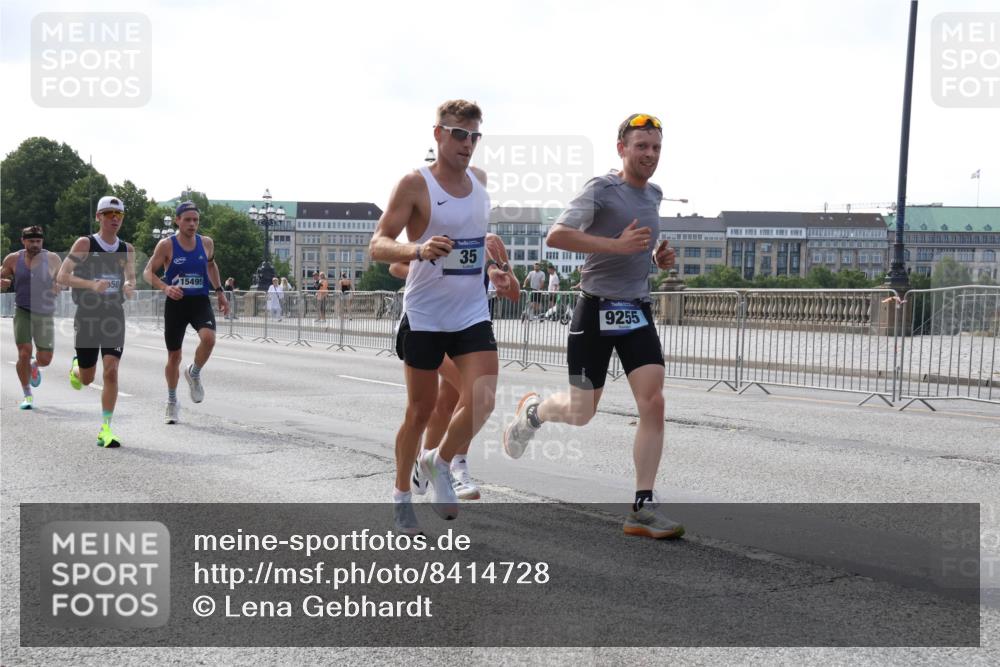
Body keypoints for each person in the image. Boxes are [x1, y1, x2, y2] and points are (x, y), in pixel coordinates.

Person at [503, 113, 683, 539]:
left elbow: (634, 251)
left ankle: (642, 506)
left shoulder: (655, 194)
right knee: (582, 412)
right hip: (595, 309)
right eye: (641, 146)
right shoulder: (601, 189)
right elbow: (557, 235)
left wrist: (656, 261)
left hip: (636, 308)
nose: (650, 155)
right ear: (622, 148)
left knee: (653, 401)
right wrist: (616, 245)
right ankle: (532, 414)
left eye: (656, 147)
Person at [369, 99, 500, 535]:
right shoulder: (415, 184)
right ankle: (401, 496)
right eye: (458, 134)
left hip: (470, 312)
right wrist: (417, 249)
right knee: (419, 413)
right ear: (438, 134)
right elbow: (379, 244)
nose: (467, 144)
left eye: (474, 136)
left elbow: (472, 238)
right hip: (425, 315)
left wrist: (494, 255)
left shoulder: (480, 182)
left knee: (481, 398)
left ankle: (439, 462)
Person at [389, 233, 518, 502]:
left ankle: (430, 465)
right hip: (429, 322)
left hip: (467, 326)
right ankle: (450, 466)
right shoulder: (433, 229)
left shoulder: (490, 242)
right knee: (455, 395)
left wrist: (501, 273)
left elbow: (514, 292)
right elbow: (394, 265)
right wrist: (429, 271)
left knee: (448, 404)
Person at [57, 195, 137, 448]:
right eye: (109, 214)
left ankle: (106, 428)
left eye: (119, 215)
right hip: (88, 316)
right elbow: (62, 276)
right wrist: (91, 285)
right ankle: (77, 367)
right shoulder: (85, 244)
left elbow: (131, 278)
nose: (115, 219)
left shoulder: (127, 249)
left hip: (114, 314)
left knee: (111, 371)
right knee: (88, 379)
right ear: (99, 217)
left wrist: (128, 285)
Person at [142, 200, 229, 425]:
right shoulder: (167, 245)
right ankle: (172, 401)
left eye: (196, 220)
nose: (192, 224)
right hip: (176, 304)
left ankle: (194, 372)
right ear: (177, 221)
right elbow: (147, 273)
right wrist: (165, 287)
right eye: (187, 220)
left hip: (199, 300)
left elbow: (211, 266)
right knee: (174, 356)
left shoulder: (206, 243)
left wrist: (220, 291)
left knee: (209, 339)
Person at [0, 225, 62, 409]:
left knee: (46, 359)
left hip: (44, 312)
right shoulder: (12, 259)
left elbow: (64, 278)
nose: (35, 245)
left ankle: (35, 366)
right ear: (23, 241)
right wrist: (2, 282)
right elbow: (2, 277)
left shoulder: (52, 258)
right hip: (23, 311)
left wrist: (58, 286)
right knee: (24, 352)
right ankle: (27, 394)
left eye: (38, 241)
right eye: (31, 241)